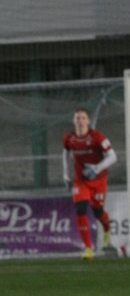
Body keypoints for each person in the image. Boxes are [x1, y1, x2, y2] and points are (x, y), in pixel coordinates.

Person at [62, 108, 117, 260]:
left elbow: (113, 156)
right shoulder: (69, 138)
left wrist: (97, 168)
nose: (80, 121)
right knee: (80, 209)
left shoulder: (97, 137)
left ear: (88, 121)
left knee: (98, 212)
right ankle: (88, 249)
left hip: (99, 180)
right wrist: (66, 175)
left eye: (83, 118)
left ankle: (107, 231)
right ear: (73, 121)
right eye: (77, 118)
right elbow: (65, 154)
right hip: (80, 180)